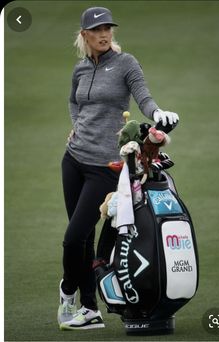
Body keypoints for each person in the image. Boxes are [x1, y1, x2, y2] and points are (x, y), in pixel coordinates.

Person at [57, 6, 179, 331]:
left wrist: (158, 113)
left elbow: (144, 96)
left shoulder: (126, 63)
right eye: (96, 30)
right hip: (73, 160)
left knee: (73, 239)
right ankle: (89, 309)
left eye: (108, 28)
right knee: (81, 239)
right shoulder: (80, 69)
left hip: (104, 166)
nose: (104, 34)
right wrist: (76, 125)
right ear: (84, 35)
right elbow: (74, 101)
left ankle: (67, 291)